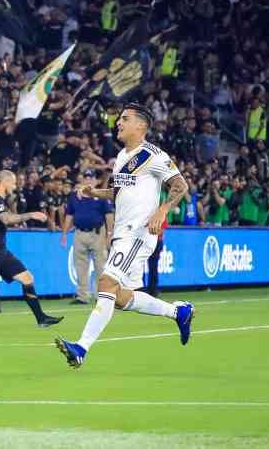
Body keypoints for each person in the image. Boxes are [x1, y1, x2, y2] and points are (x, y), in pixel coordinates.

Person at [56, 103, 193, 369]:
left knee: (105, 284)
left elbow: (180, 185)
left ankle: (81, 348)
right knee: (119, 297)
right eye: (119, 119)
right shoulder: (121, 157)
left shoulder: (152, 154)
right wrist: (95, 193)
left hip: (139, 231)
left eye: (125, 119)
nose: (118, 122)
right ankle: (178, 312)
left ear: (140, 126)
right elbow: (118, 192)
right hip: (122, 233)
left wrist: (162, 211)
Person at [0, 170, 64, 328]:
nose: (15, 185)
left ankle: (41, 319)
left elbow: (8, 216)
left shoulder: (0, 200)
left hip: (0, 250)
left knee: (27, 278)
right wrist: (31, 214)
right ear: (4, 182)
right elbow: (7, 219)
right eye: (12, 182)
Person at [61, 169, 113, 305]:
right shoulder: (74, 197)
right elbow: (69, 215)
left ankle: (100, 296)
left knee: (100, 266)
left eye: (91, 177)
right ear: (82, 180)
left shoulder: (101, 195)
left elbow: (109, 215)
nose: (88, 180)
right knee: (80, 266)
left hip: (97, 233)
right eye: (86, 177)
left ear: (95, 180)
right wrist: (65, 233)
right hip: (79, 233)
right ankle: (82, 296)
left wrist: (109, 234)